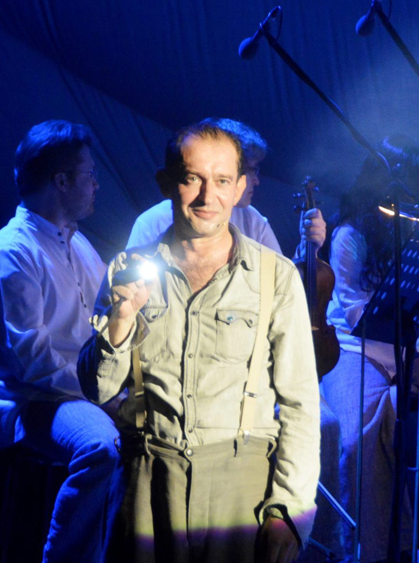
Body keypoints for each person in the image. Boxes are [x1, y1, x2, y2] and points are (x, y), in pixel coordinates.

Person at [78, 119, 321, 563]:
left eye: (222, 181)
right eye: (193, 179)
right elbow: (98, 389)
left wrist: (290, 508)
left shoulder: (276, 277)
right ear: (166, 183)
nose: (208, 197)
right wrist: (121, 320)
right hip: (147, 480)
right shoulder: (127, 269)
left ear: (240, 187)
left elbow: (301, 402)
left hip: (240, 490)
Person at [0, 120, 120, 563]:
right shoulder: (11, 253)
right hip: (36, 402)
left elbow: (107, 324)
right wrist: (104, 394)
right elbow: (34, 364)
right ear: (61, 181)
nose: (96, 184)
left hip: (84, 390)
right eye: (89, 174)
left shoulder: (79, 245)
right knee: (101, 444)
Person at [322, 135, 419, 562]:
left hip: (410, 350)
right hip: (357, 351)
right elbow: (355, 314)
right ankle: (366, 550)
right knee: (355, 441)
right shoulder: (349, 235)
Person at [126, 118, 326, 256]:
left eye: (221, 180)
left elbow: (280, 285)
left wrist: (308, 250)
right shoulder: (152, 224)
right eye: (251, 170)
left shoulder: (252, 220)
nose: (255, 181)